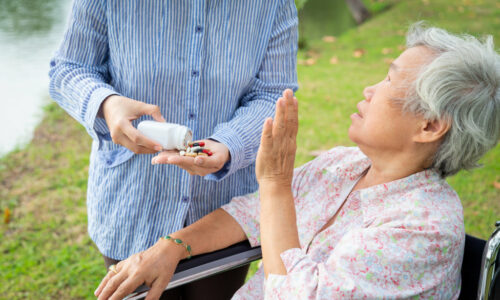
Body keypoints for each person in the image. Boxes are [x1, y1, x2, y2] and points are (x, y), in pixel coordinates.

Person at [94, 23, 500, 299]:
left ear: (429, 126)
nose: (370, 88)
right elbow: (250, 213)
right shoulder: (344, 165)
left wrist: (274, 184)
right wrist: (172, 246)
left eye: (390, 80)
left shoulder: (422, 228)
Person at [48, 1, 298, 298]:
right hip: (132, 208)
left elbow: (273, 94)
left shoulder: (273, 5)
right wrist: (107, 104)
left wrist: (227, 144)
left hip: (223, 214)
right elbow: (69, 69)